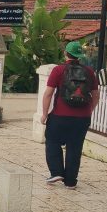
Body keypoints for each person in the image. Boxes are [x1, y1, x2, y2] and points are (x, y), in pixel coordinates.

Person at [40, 41, 99, 190]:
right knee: (75, 147)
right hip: (82, 118)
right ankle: (71, 181)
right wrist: (90, 110)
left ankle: (57, 172)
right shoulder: (90, 71)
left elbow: (48, 94)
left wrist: (44, 114)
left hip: (60, 115)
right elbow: (96, 95)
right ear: (80, 55)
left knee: (52, 140)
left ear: (66, 53)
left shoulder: (58, 70)